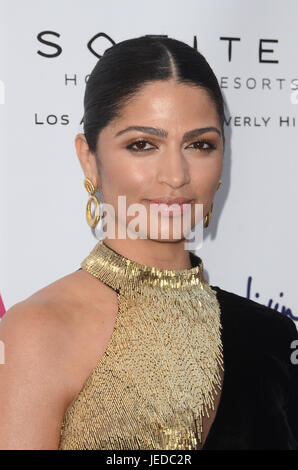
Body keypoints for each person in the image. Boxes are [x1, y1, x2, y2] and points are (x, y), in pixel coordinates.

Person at [0, 35, 297, 450]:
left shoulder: (271, 337)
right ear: (89, 158)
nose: (176, 175)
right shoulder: (38, 330)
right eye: (142, 145)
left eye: (200, 145)